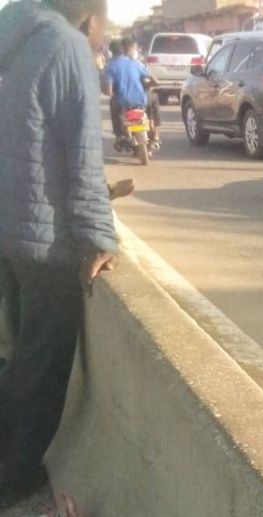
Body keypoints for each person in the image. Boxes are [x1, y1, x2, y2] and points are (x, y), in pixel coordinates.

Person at [0, 0, 118, 507]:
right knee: (42, 369)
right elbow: (83, 155)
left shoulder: (12, 41)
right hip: (46, 244)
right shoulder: (68, 48)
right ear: (90, 18)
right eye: (103, 27)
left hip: (7, 234)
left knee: (19, 356)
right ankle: (15, 479)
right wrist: (98, 237)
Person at [104, 37, 159, 147]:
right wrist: (147, 86)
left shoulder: (110, 66)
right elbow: (155, 81)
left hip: (123, 102)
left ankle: (119, 135)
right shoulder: (134, 63)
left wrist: (107, 91)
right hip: (141, 100)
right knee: (154, 98)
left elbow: (109, 92)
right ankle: (154, 129)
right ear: (124, 50)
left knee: (113, 105)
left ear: (111, 52)